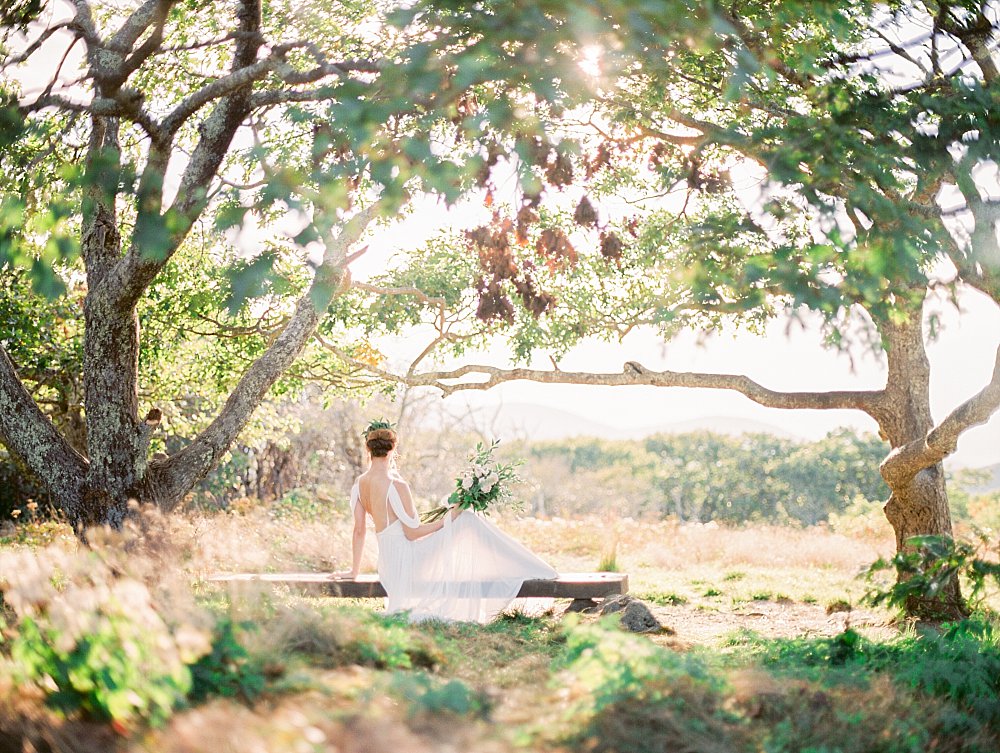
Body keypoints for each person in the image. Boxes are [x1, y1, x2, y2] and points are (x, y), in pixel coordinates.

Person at [335, 424, 557, 623]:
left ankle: (514, 567)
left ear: (368, 449)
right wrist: (448, 520)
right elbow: (413, 533)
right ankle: (521, 566)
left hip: (388, 567)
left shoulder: (359, 484)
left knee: (464, 521)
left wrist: (353, 572)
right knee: (468, 520)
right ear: (393, 449)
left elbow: (359, 531)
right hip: (407, 562)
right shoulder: (397, 485)